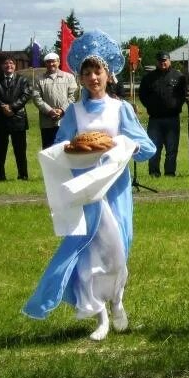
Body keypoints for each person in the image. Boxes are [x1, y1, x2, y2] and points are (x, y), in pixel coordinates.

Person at [24, 29, 156, 341]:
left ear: (108, 75)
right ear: (80, 78)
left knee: (117, 252)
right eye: (87, 72)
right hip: (87, 194)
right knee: (88, 256)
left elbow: (147, 147)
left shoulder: (120, 109)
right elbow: (59, 148)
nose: (93, 77)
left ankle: (118, 300)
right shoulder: (75, 112)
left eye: (98, 71)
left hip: (115, 192)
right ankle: (100, 317)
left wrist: (123, 145)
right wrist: (73, 148)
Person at [138, 51, 185, 177]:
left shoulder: (178, 76)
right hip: (155, 119)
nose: (163, 62)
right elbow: (142, 95)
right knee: (154, 148)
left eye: (165, 60)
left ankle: (170, 172)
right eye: (160, 61)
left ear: (169, 61)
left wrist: (176, 105)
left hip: (172, 118)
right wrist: (150, 105)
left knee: (171, 148)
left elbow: (183, 94)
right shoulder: (148, 78)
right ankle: (154, 172)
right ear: (156, 62)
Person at [0, 56, 31, 180]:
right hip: (0, 120)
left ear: (15, 66)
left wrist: (12, 107)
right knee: (0, 151)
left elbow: (26, 95)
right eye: (6, 63)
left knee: (20, 151)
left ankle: (23, 175)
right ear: (2, 66)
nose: (9, 65)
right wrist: (2, 106)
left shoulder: (22, 80)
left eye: (11, 63)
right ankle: (0, 176)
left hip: (18, 119)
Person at [32, 52, 78, 149]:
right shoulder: (39, 79)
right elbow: (36, 97)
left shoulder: (69, 77)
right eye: (48, 62)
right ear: (45, 64)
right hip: (47, 122)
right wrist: (49, 111)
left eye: (53, 61)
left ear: (59, 62)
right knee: (48, 150)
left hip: (65, 120)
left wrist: (62, 110)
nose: (51, 64)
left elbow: (73, 96)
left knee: (66, 149)